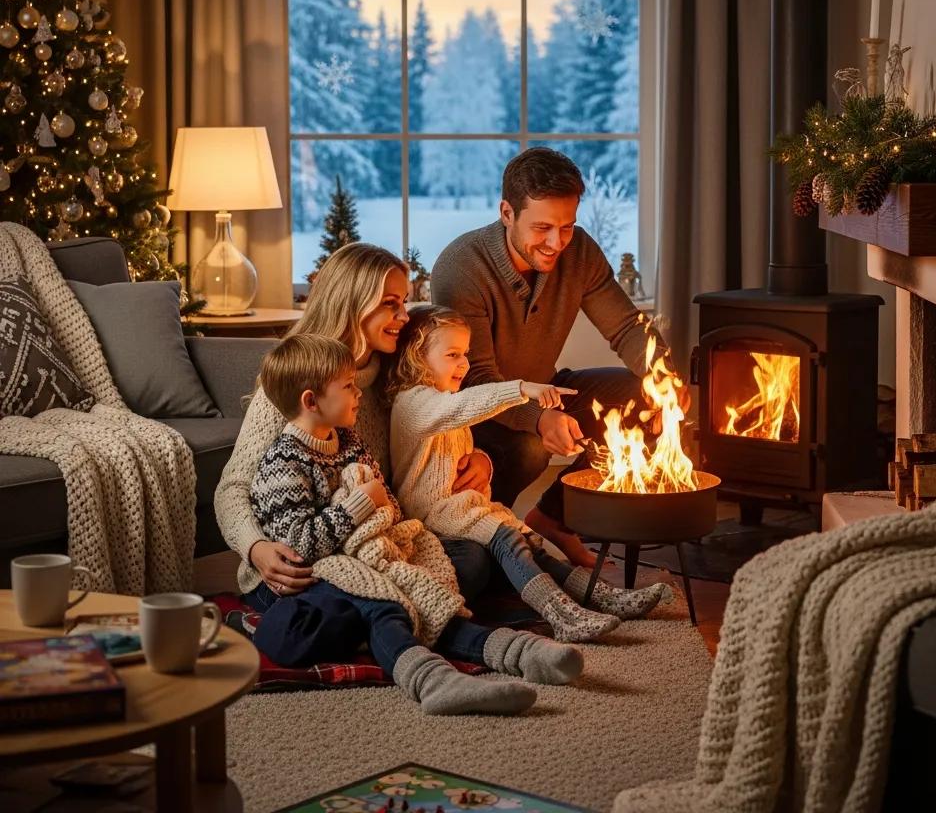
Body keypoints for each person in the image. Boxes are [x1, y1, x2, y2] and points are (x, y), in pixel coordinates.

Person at [247, 333, 583, 715]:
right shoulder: (284, 463)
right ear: (311, 401)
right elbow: (300, 545)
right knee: (388, 603)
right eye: (347, 387)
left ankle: (521, 652)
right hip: (317, 572)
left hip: (367, 552)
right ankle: (433, 681)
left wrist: (375, 523)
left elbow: (387, 503)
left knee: (431, 592)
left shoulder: (349, 442)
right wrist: (359, 505)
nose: (358, 393)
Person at [214, 243, 497, 666]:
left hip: (376, 542)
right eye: (391, 304)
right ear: (353, 304)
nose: (404, 316)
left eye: (404, 303)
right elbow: (233, 487)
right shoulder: (300, 383)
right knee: (335, 604)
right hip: (303, 555)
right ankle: (396, 623)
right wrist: (257, 549)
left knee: (472, 559)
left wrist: (481, 459)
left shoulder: (396, 376)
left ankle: (385, 621)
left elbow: (436, 438)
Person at [432, 147, 676, 567]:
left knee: (646, 399)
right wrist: (538, 417)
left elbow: (626, 327)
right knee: (529, 450)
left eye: (567, 227)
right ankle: (491, 534)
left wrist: (663, 378)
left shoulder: (577, 252)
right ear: (507, 212)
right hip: (478, 418)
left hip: (548, 390)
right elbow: (476, 380)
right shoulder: (462, 267)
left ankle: (553, 517)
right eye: (542, 227)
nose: (556, 243)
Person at [389, 306, 673, 642]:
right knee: (506, 537)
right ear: (417, 357)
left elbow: (454, 449)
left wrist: (480, 457)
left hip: (462, 507)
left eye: (465, 354)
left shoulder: (441, 398)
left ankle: (600, 596)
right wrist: (521, 389)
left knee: (529, 542)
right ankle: (560, 614)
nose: (464, 364)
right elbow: (462, 407)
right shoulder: (413, 402)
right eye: (452, 355)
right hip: (432, 514)